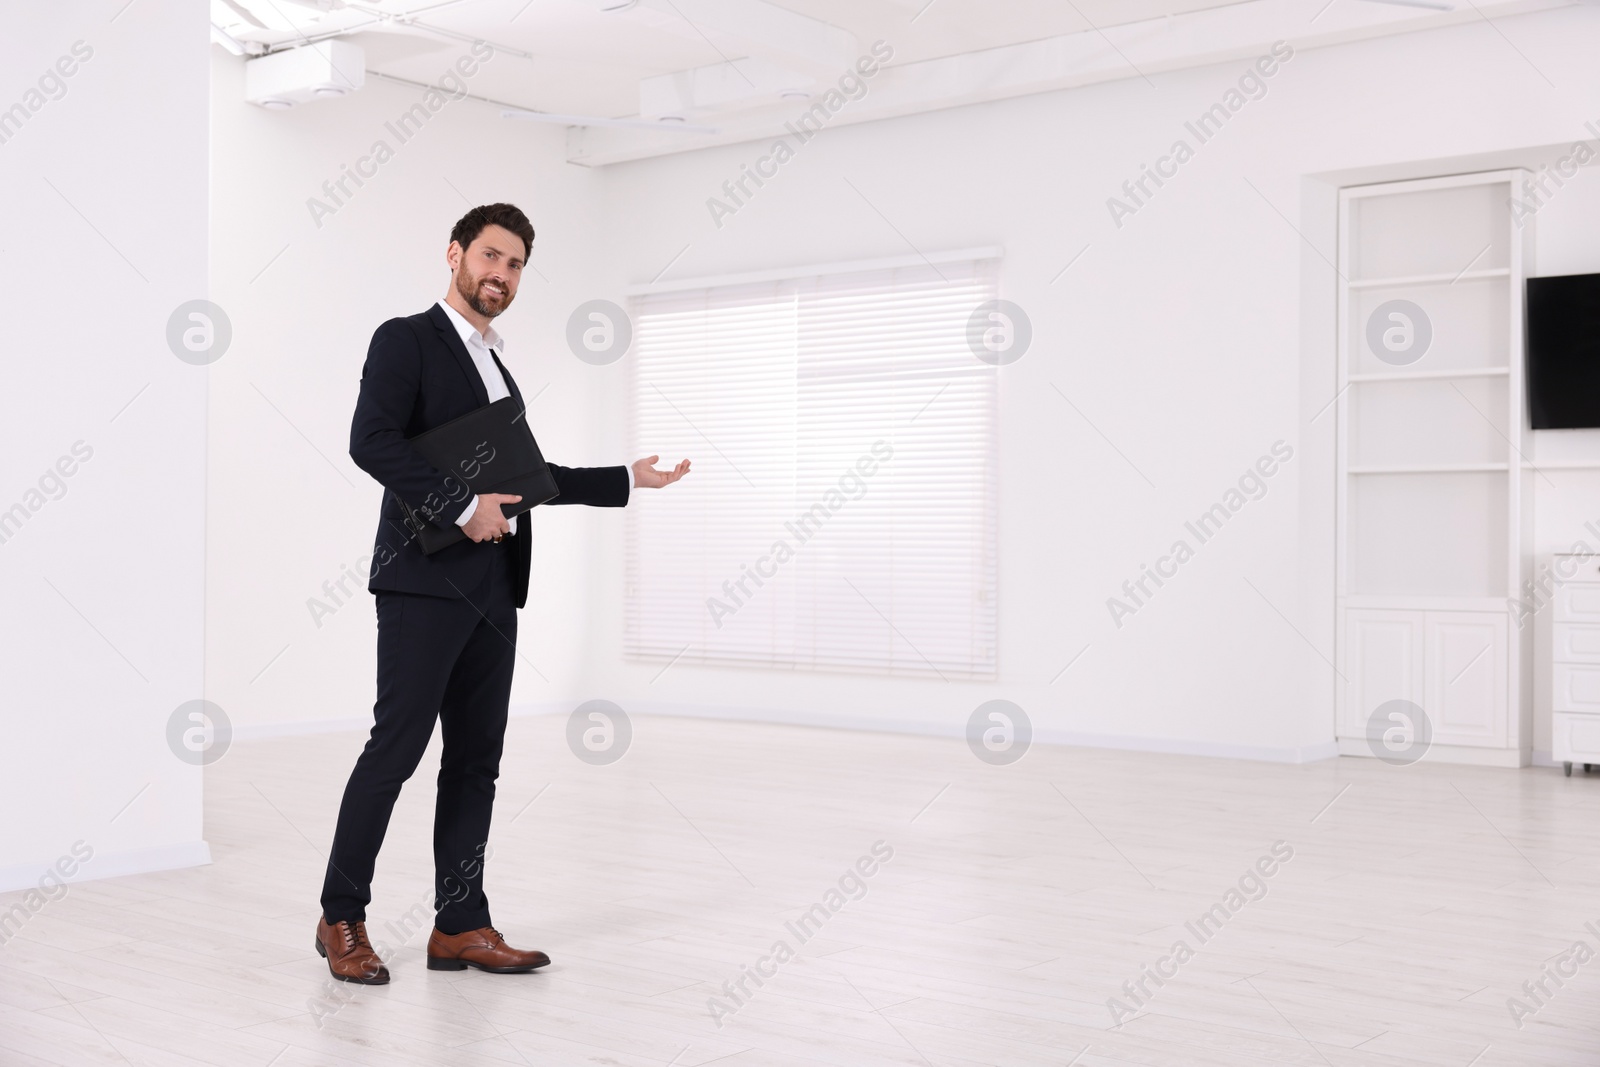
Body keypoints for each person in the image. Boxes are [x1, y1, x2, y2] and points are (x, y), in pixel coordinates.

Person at [314, 203, 689, 983]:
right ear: (454, 254)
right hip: (422, 578)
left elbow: (528, 481)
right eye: (490, 256)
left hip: (491, 584)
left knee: (477, 760)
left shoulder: (498, 365)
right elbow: (370, 440)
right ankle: (340, 915)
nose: (501, 275)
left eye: (516, 265)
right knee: (397, 750)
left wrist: (627, 477)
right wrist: (461, 504)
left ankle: (460, 924)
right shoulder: (406, 339)